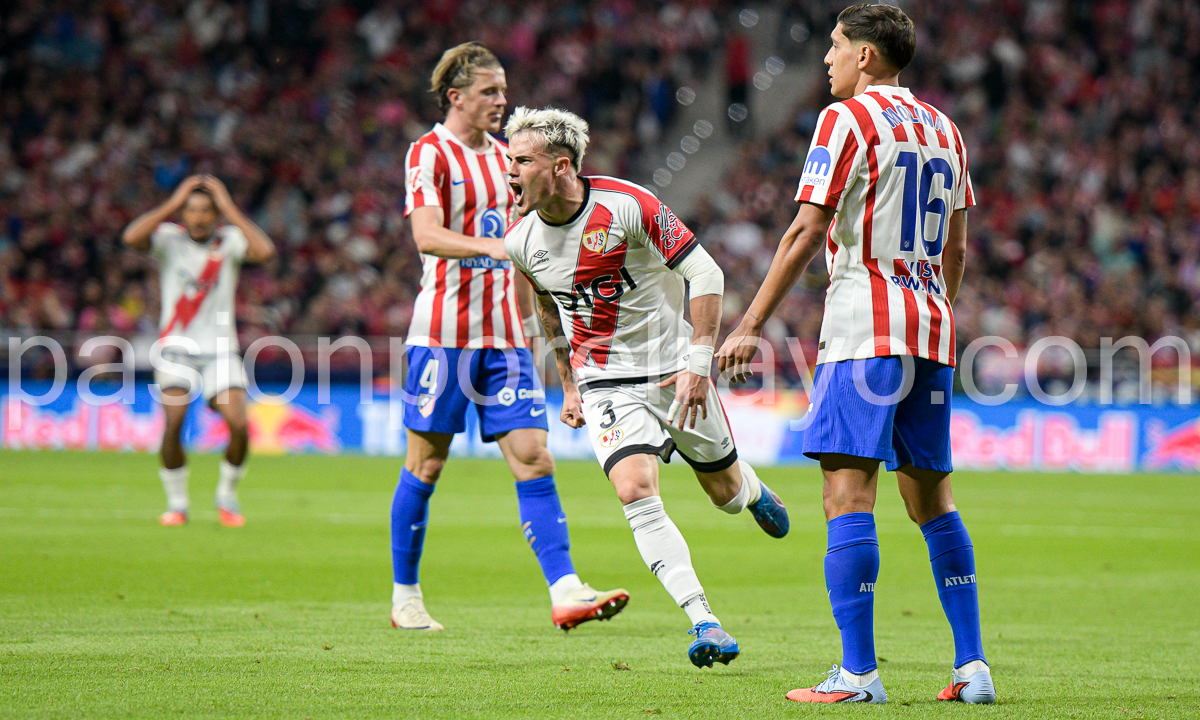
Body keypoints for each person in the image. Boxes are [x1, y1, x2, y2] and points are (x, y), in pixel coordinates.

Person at [717, 3, 993, 704]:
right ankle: (972, 668)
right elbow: (957, 248)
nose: (828, 60)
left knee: (848, 495)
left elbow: (806, 230)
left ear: (867, 55)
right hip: (931, 331)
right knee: (934, 501)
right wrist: (935, 309)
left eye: (837, 47)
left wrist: (750, 322)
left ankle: (859, 674)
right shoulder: (945, 130)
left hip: (864, 335)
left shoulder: (846, 119)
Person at [503, 106, 790, 668]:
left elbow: (705, 274)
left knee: (725, 497)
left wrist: (699, 362)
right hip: (605, 381)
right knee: (635, 489)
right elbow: (546, 307)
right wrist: (568, 384)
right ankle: (704, 620)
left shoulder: (627, 205)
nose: (508, 171)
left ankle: (753, 492)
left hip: (675, 373)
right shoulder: (522, 242)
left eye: (520, 160)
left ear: (561, 166)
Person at [392, 42, 628, 633]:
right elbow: (426, 235)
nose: (503, 101)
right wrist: (498, 248)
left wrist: (544, 339)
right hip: (442, 337)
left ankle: (567, 590)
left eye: (503, 90)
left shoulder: (509, 160)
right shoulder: (429, 154)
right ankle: (405, 597)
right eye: (490, 91)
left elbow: (528, 263)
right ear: (456, 97)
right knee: (425, 466)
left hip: (506, 341)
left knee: (534, 457)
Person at [122, 174, 276, 527]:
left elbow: (265, 251)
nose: (199, 217)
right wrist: (173, 202)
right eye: (192, 210)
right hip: (176, 350)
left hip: (221, 351)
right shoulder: (168, 240)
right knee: (173, 423)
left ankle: (227, 496)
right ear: (183, 214)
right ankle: (177, 503)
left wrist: (228, 205)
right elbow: (131, 238)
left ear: (216, 213)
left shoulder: (231, 240)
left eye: (207, 210)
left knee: (238, 423)